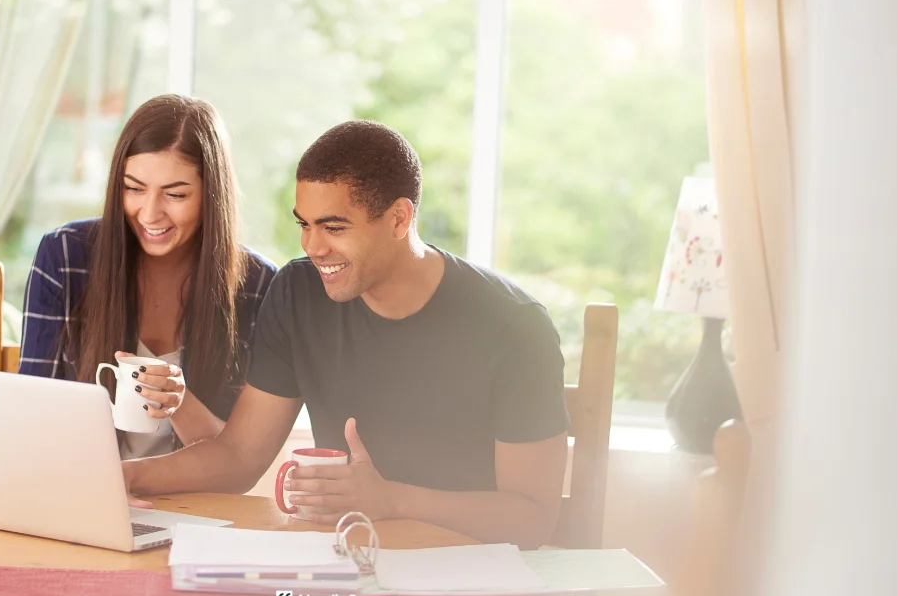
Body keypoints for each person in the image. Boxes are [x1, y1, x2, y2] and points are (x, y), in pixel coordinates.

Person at [122, 120, 570, 548]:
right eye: (305, 224)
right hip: (342, 562)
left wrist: (392, 500)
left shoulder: (514, 327)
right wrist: (121, 477)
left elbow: (532, 520)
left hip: (466, 574)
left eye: (334, 227)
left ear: (398, 219)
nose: (313, 247)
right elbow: (240, 455)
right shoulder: (299, 294)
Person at [18, 94, 277, 462]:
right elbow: (31, 409)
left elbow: (238, 459)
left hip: (195, 505)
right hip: (82, 491)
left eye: (175, 194)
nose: (150, 213)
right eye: (134, 188)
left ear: (211, 194)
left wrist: (179, 402)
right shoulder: (65, 255)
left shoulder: (257, 285)